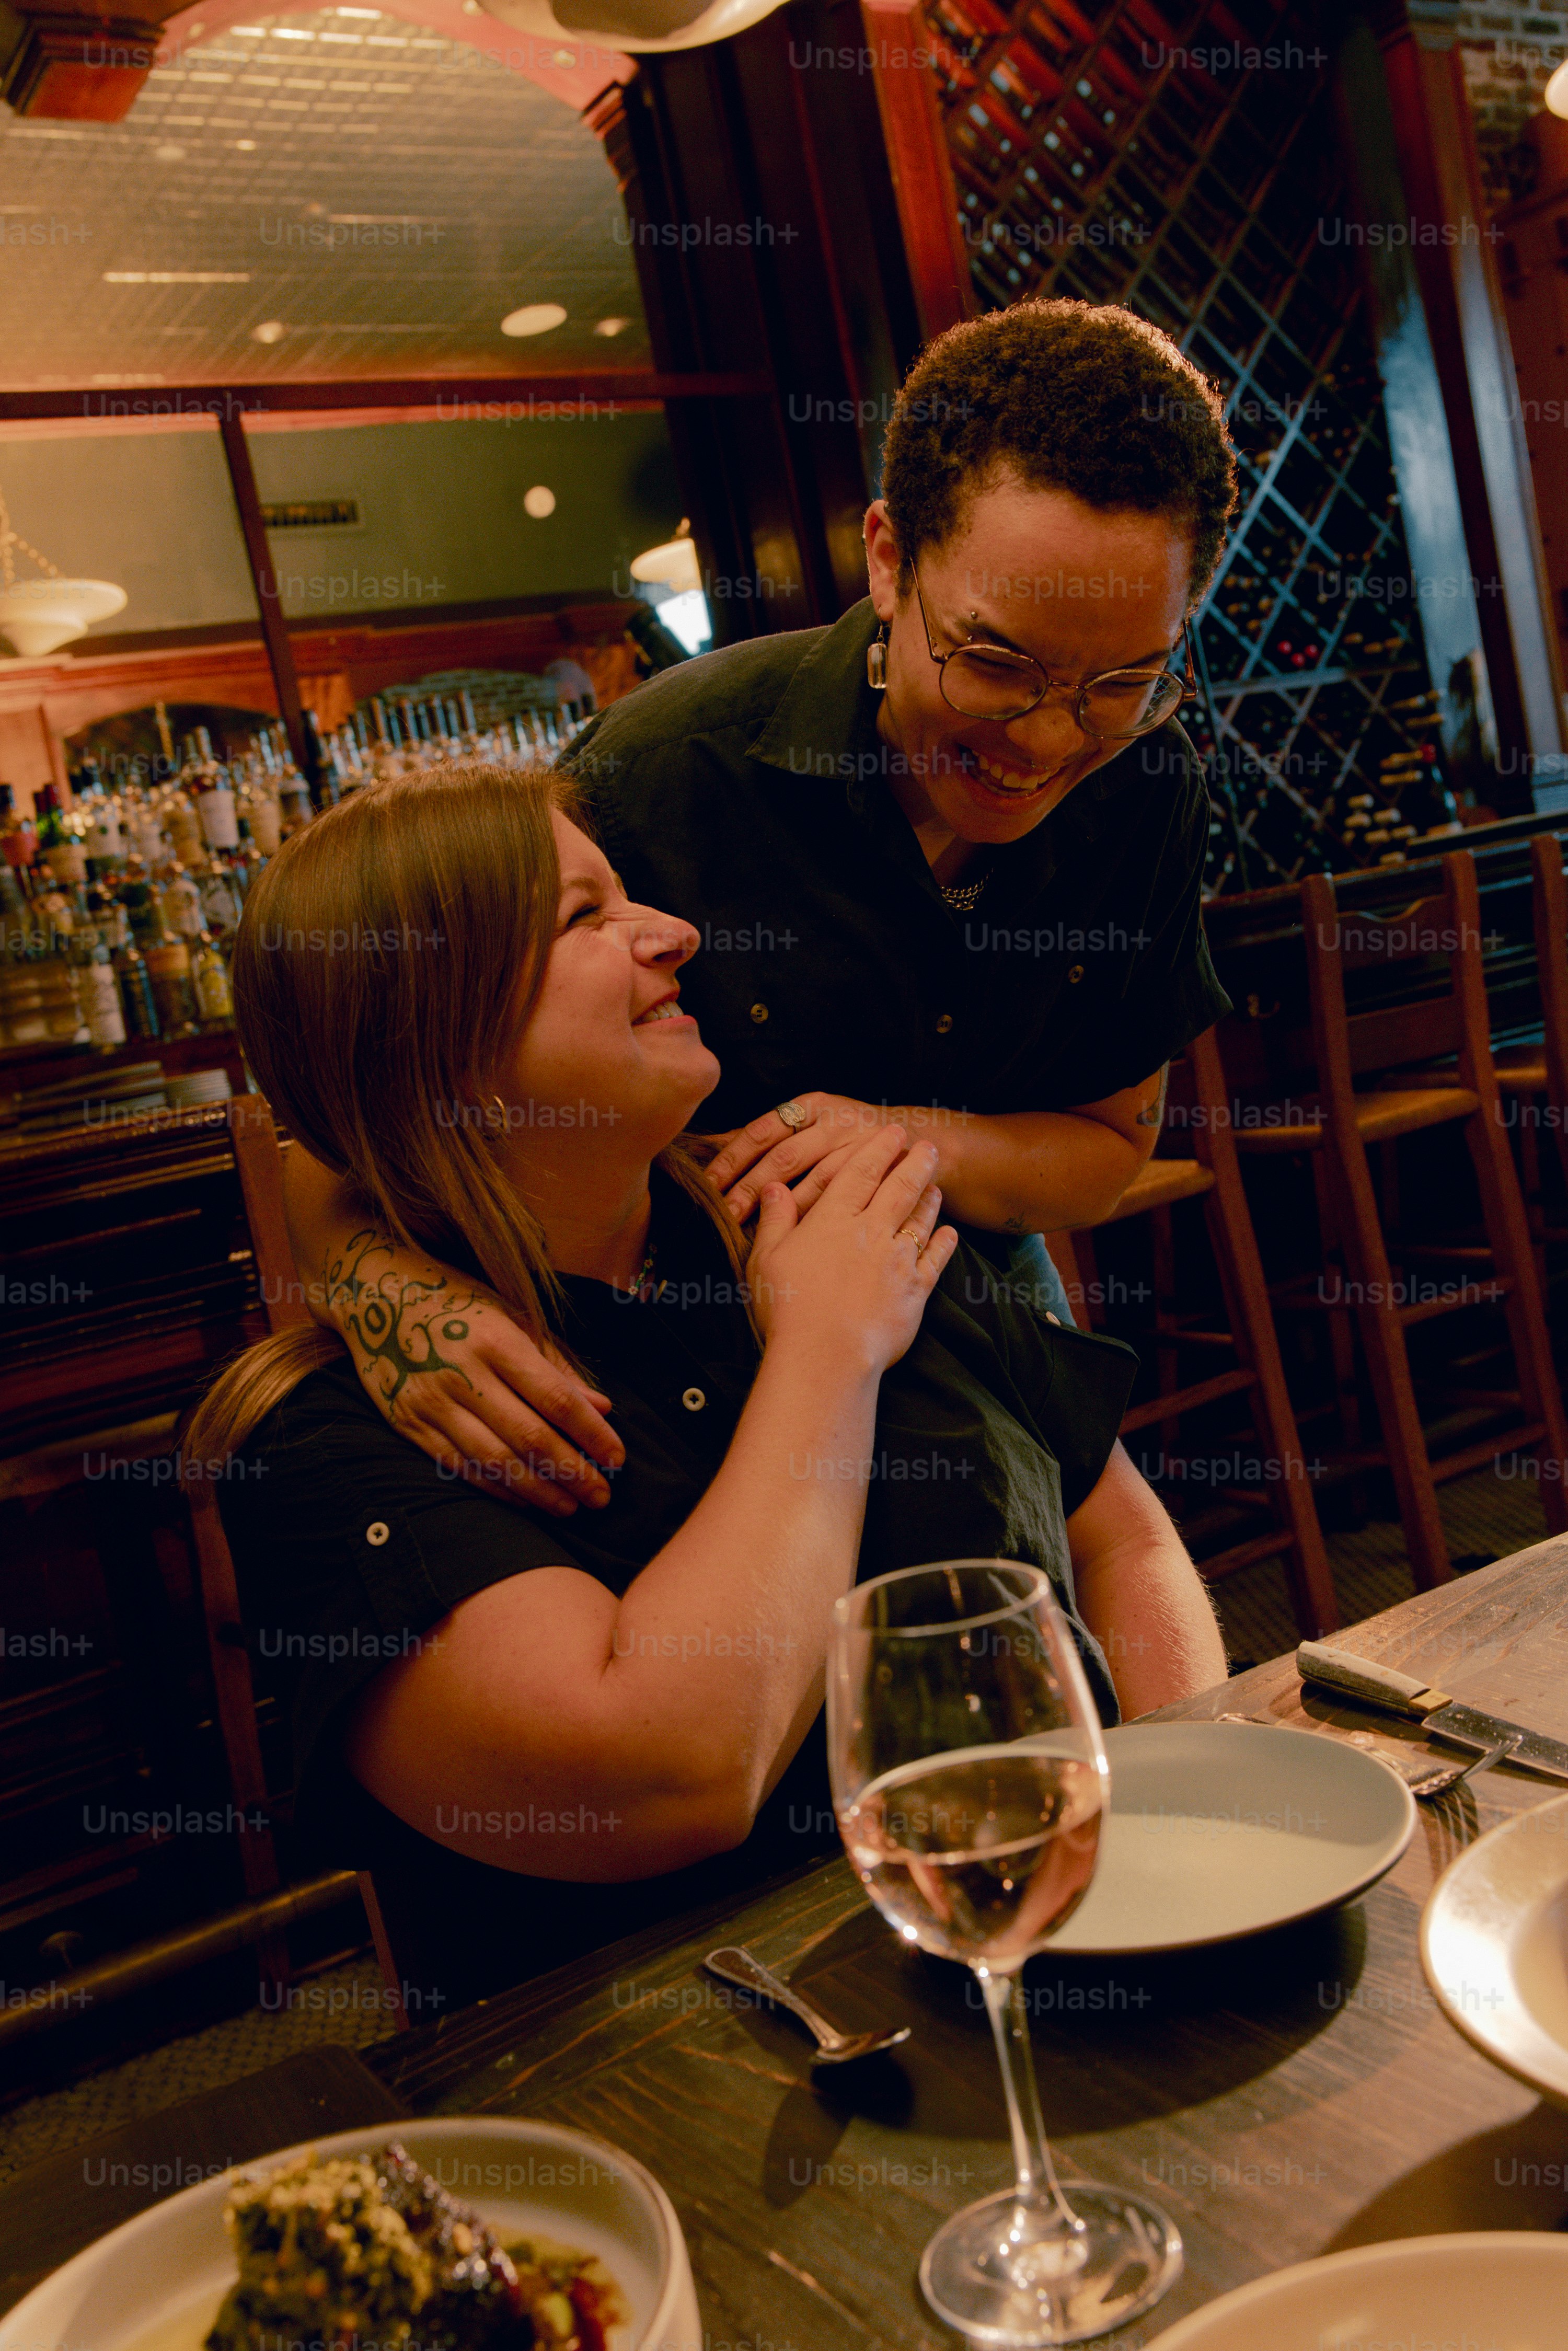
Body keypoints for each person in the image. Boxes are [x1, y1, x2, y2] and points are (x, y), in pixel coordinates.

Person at [189, 766, 1226, 2009]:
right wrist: (827, 1349)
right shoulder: (331, 1441)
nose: (676, 933)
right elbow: (675, 1770)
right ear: (435, 1035)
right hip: (701, 2079)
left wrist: (1191, 1825)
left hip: (1091, 1955)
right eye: (585, 916)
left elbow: (1119, 1535)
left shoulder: (820, 1197)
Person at [283, 298, 1238, 1518]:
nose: (1049, 741)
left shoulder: (1147, 786)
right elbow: (339, 1112)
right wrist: (390, 1292)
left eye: (1122, 681)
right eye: (996, 663)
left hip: (967, 1282)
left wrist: (902, 1141)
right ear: (888, 558)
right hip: (662, 1336)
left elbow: (1106, 1147)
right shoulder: (665, 771)